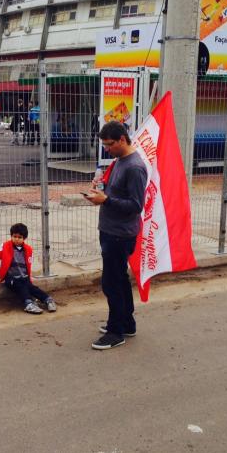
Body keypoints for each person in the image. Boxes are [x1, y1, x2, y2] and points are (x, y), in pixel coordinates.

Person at [84, 121, 147, 350]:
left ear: (122, 139)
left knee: (111, 283)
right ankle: (126, 323)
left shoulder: (135, 167)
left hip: (120, 234)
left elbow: (136, 205)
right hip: (111, 230)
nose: (107, 149)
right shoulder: (120, 161)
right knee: (119, 279)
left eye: (110, 144)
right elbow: (116, 192)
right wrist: (100, 192)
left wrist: (107, 200)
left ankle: (115, 332)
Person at [0, 223, 57, 314]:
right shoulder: (5, 246)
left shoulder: (28, 249)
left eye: (19, 237)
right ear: (11, 236)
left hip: (24, 277)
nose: (16, 239)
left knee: (32, 288)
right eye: (14, 236)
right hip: (11, 278)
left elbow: (28, 265)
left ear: (24, 238)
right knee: (21, 286)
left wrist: (29, 278)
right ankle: (28, 303)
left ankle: (47, 299)